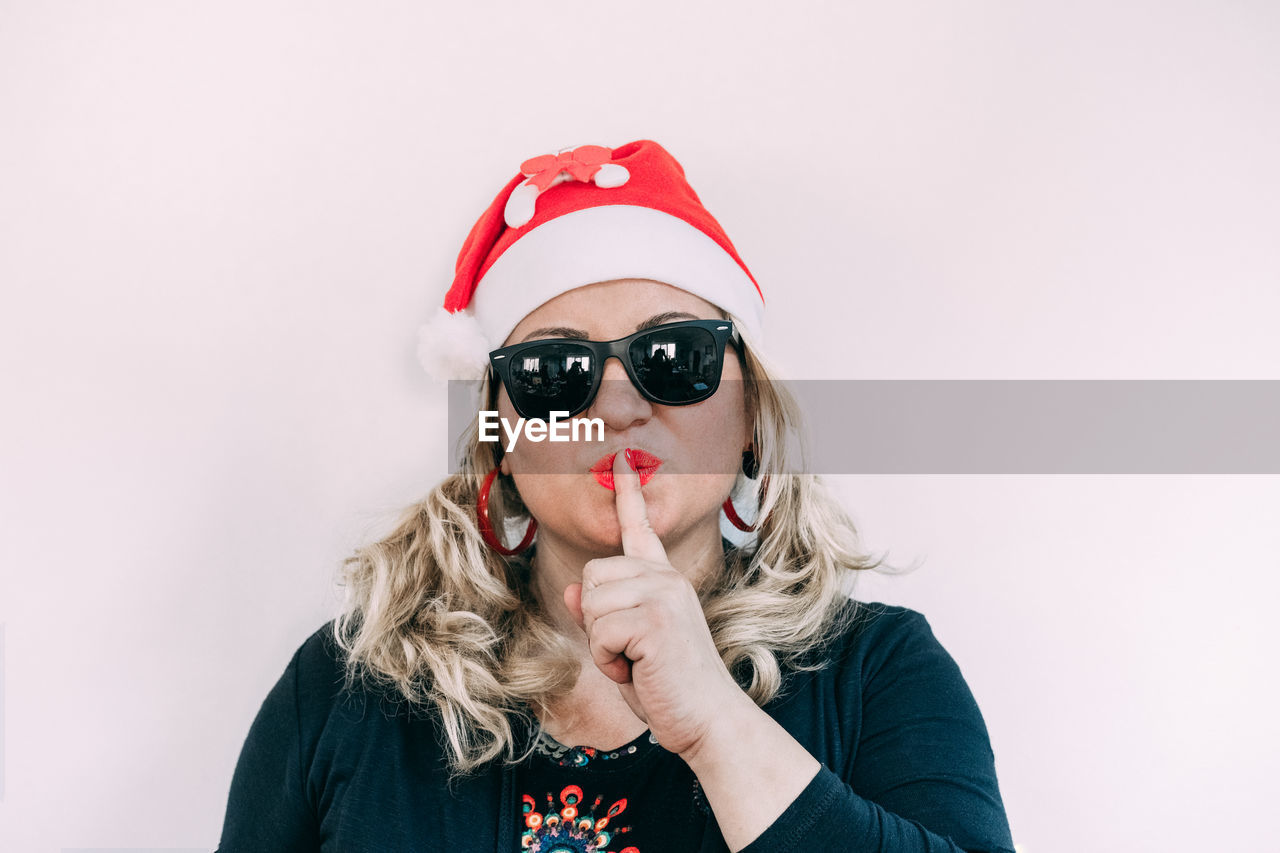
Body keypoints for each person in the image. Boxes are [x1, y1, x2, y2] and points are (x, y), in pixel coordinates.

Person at [216, 140, 1016, 852]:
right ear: (499, 433)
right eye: (554, 372)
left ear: (750, 413)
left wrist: (717, 724)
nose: (616, 406)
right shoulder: (347, 687)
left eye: (673, 355)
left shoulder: (878, 673)